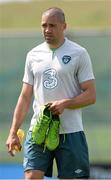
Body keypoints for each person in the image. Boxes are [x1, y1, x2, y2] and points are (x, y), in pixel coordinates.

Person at [6, 7, 96, 179]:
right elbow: (25, 97)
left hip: (71, 132)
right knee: (31, 177)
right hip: (38, 131)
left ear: (64, 26)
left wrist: (66, 103)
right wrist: (13, 131)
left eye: (52, 25)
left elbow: (91, 95)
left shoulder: (79, 53)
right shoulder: (33, 55)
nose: (47, 30)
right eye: (44, 25)